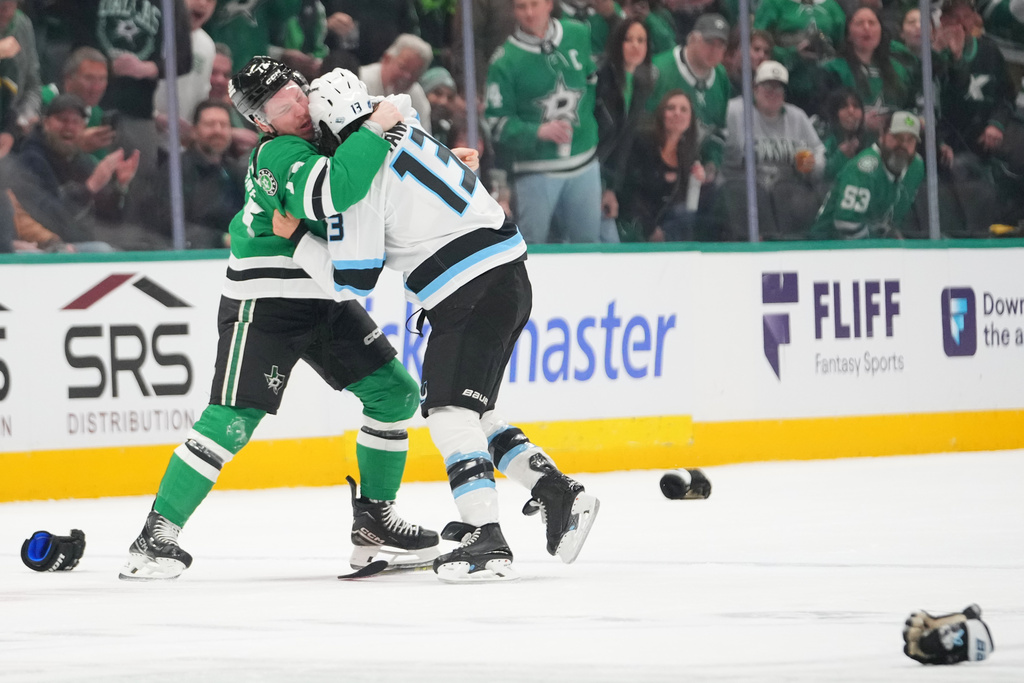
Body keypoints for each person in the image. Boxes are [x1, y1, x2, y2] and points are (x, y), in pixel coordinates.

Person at [273, 68, 600, 582]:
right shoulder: (406, 122)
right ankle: (559, 493)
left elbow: (353, 279)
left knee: (449, 413)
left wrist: (295, 240)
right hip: (506, 274)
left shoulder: (358, 172)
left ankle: (485, 538)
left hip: (469, 289)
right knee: (475, 413)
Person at [118, 56, 438, 580]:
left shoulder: (329, 132)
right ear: (261, 123)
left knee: (394, 392)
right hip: (263, 301)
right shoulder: (277, 153)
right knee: (232, 419)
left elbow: (374, 191)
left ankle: (375, 521)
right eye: (281, 106)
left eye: (296, 94)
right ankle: (156, 536)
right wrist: (380, 126)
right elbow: (337, 190)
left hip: (321, 296)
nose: (297, 109)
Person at [485, 0, 603, 244]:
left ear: (549, 4)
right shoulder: (504, 61)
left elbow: (591, 81)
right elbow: (496, 123)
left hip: (585, 163)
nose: (528, 13)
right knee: (532, 247)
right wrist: (537, 132)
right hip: (535, 171)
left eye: (534, 4)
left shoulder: (578, 33)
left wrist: (584, 128)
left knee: (589, 247)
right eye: (520, 7)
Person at [6, 93, 146, 251]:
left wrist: (120, 186)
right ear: (46, 123)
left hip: (80, 240)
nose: (70, 127)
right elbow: (51, 216)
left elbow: (111, 219)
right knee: (102, 251)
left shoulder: (82, 161)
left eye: (76, 122)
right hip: (47, 248)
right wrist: (90, 186)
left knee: (143, 244)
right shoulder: (30, 160)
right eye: (62, 120)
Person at [722, 61, 825, 239]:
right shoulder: (734, 111)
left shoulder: (797, 117)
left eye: (778, 88)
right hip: (746, 194)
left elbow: (819, 151)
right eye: (767, 86)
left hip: (786, 197)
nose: (773, 93)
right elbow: (719, 147)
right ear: (755, 88)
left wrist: (814, 165)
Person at [808, 110, 924, 240]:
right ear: (882, 135)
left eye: (910, 140)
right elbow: (846, 224)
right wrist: (880, 246)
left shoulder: (916, 167)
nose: (903, 145)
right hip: (828, 246)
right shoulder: (864, 169)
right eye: (897, 137)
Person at [647, 13, 731, 180]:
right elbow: (640, 126)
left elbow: (718, 131)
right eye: (709, 42)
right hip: (651, 167)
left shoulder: (721, 77)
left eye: (720, 45)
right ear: (692, 39)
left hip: (695, 171)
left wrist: (711, 164)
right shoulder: (658, 70)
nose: (714, 50)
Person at [595, 18, 655, 242]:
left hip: (608, 180)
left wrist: (612, 187)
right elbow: (599, 137)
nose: (635, 46)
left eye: (641, 40)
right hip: (588, 172)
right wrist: (602, 184)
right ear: (617, 43)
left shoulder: (640, 84)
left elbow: (624, 144)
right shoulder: (602, 77)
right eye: (628, 39)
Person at [619, 89, 704, 241]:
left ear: (691, 119)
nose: (677, 113)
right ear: (661, 113)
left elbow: (686, 203)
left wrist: (699, 181)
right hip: (638, 225)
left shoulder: (689, 153)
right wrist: (650, 229)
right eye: (671, 108)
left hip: (671, 227)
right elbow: (630, 192)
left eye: (684, 110)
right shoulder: (642, 142)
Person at [821, 7, 915, 132]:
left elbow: (910, 109)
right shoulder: (833, 69)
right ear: (848, 33)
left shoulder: (899, 69)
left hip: (894, 140)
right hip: (851, 142)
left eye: (872, 23)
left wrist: (908, 122)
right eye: (859, 23)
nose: (866, 28)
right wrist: (859, 122)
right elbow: (826, 113)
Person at [40, 46, 115, 159]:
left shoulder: (96, 115)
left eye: (102, 79)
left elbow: (98, 166)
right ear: (68, 78)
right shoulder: (43, 100)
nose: (96, 88)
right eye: (89, 79)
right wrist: (77, 145)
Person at [360, 34, 433, 133]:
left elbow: (424, 136)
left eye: (415, 73)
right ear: (387, 59)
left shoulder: (417, 96)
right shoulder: (361, 80)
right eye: (403, 67)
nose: (407, 76)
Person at [0, 0, 41, 156]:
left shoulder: (22, 24)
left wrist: (24, 117)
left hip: (12, 129)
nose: (5, 9)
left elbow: (33, 84)